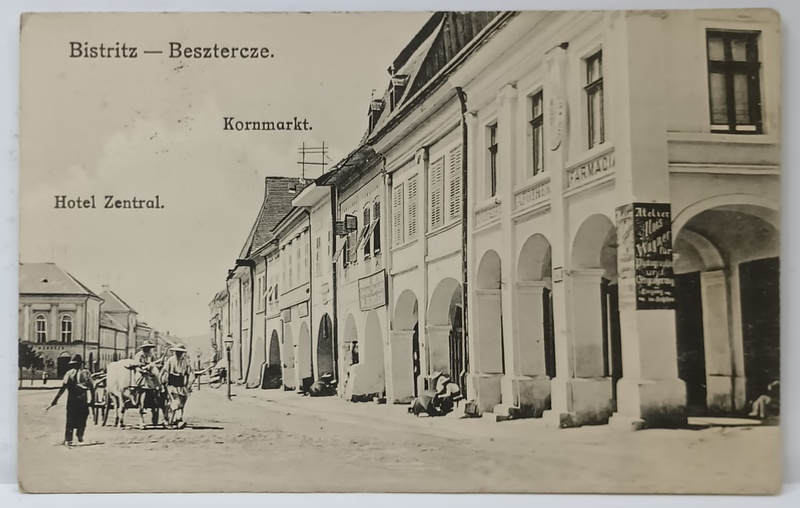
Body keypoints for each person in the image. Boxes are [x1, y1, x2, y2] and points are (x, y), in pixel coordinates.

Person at [47, 354, 93, 446]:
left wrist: (92, 400)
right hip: (73, 400)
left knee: (83, 418)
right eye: (75, 364)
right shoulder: (69, 374)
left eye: (77, 364)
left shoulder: (86, 373)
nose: (76, 366)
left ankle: (79, 434)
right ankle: (69, 439)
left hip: (81, 400)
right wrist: (56, 399)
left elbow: (91, 387)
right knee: (71, 419)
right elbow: (63, 387)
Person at [160, 346, 194, 428]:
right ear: (175, 352)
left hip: (181, 386)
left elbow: (189, 373)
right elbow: (163, 371)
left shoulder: (185, 361)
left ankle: (177, 419)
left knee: (182, 403)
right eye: (178, 352)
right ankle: (174, 421)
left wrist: (189, 383)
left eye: (181, 352)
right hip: (172, 385)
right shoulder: (171, 360)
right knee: (176, 403)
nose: (179, 354)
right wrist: (161, 382)